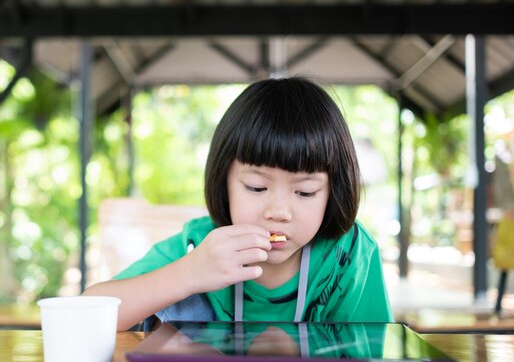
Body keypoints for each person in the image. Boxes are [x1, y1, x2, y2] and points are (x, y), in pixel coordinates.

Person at [84, 76, 393, 331]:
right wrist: (189, 274)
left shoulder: (349, 256)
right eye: (256, 187)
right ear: (224, 182)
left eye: (305, 192)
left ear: (332, 192)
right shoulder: (199, 246)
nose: (279, 212)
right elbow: (86, 314)